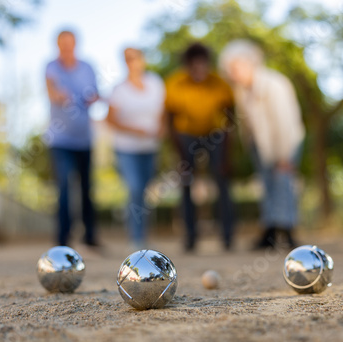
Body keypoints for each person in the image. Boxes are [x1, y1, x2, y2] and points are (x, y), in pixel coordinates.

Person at [219, 40, 305, 249]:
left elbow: (286, 122)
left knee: (283, 184)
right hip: (260, 147)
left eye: (236, 67)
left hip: (285, 143)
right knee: (267, 187)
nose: (232, 73)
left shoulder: (274, 84)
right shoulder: (242, 91)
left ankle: (288, 232)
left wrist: (285, 154)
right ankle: (271, 231)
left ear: (250, 63)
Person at [165, 43, 236, 252]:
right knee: (187, 184)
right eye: (194, 65)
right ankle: (190, 237)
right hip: (185, 136)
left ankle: (228, 237)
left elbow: (230, 118)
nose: (199, 69)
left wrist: (226, 155)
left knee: (222, 182)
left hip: (215, 135)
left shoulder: (220, 83)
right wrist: (180, 156)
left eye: (202, 64)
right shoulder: (175, 83)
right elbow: (170, 120)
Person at [44, 30, 100, 248]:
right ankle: (63, 239)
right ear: (57, 45)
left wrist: (91, 98)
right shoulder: (51, 66)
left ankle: (90, 236)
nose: (66, 48)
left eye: (70, 43)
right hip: (60, 140)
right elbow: (52, 91)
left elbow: (95, 94)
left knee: (87, 188)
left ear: (76, 44)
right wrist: (60, 95)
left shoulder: (87, 67)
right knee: (64, 187)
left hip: (84, 139)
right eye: (62, 44)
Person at [106, 48, 165, 249]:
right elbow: (110, 120)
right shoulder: (120, 90)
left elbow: (163, 112)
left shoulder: (155, 83)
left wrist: (160, 129)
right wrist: (135, 130)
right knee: (135, 188)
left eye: (135, 58)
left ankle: (143, 234)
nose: (132, 62)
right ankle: (136, 237)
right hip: (126, 148)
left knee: (146, 190)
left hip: (150, 147)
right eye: (128, 59)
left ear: (142, 60)